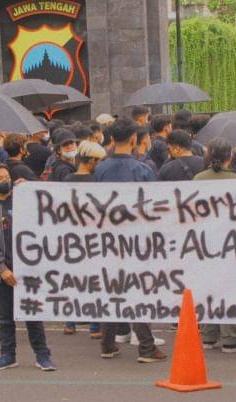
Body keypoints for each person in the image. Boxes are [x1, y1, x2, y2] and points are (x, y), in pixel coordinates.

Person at [93, 118, 167, 362]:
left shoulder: (101, 169)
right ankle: (146, 347)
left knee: (111, 288)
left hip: (107, 239)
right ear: (134, 139)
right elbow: (154, 205)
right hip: (136, 240)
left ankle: (107, 344)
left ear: (112, 139)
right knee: (138, 290)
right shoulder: (142, 170)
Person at [0, 163, 56, 371]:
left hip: (28, 269)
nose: (5, 181)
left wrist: (32, 187)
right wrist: (2, 269)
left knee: (33, 315)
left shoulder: (24, 197)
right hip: (0, 272)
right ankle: (7, 355)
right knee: (4, 317)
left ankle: (43, 355)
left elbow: (50, 202)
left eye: (7, 177)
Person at [192, 138, 236, 353]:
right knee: (230, 288)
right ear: (230, 157)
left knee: (208, 287)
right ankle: (230, 337)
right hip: (231, 243)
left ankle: (208, 335)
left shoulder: (198, 179)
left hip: (204, 242)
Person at [61, 140, 106, 338]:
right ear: (92, 160)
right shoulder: (97, 182)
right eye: (99, 160)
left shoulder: (67, 179)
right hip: (93, 238)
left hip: (71, 237)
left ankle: (70, 323)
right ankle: (94, 326)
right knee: (95, 281)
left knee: (73, 281)